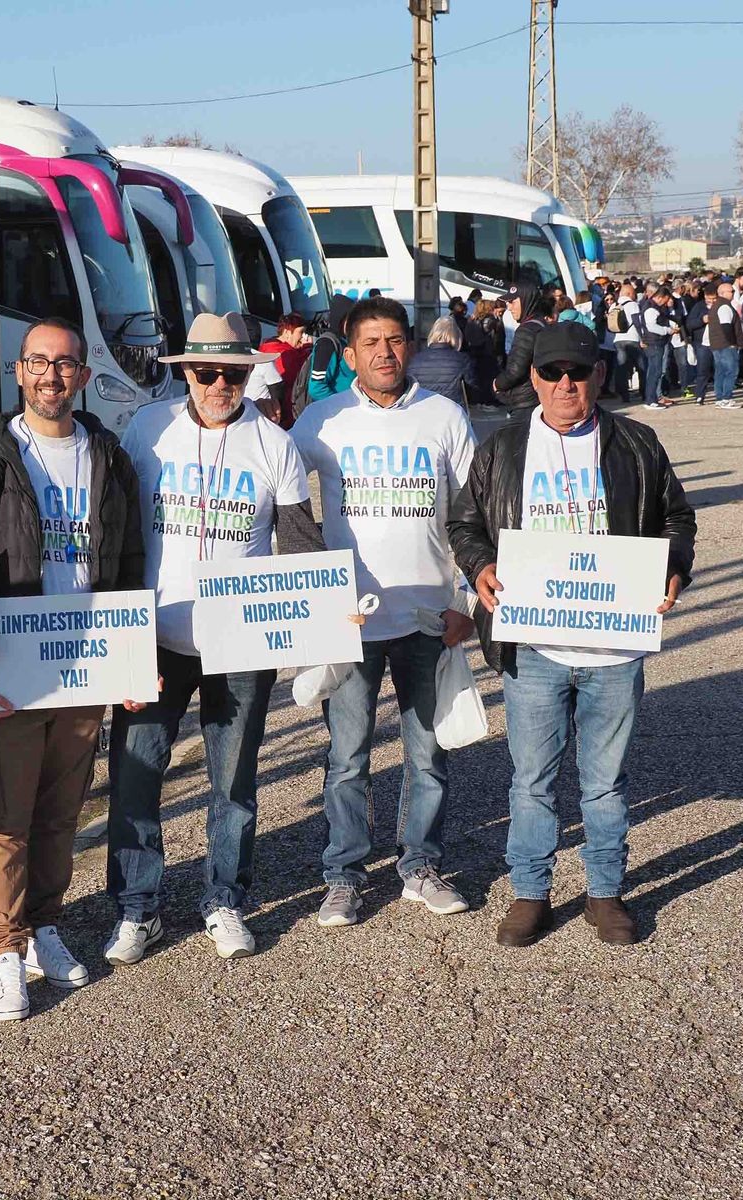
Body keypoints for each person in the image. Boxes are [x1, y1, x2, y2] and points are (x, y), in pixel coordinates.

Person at [448, 322, 696, 947]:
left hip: (614, 647)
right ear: (533, 379)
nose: (565, 384)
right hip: (533, 648)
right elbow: (465, 521)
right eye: (552, 373)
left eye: (577, 373)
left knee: (605, 781)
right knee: (530, 781)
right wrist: (479, 566)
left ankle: (605, 891)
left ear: (598, 378)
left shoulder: (636, 444)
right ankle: (530, 892)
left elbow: (676, 516)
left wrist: (670, 567)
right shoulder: (503, 448)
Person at [0, 316, 145, 1021]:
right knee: (6, 818)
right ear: (19, 371)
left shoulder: (108, 457)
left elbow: (128, 566)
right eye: (39, 362)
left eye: (65, 364)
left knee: (60, 813)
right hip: (13, 674)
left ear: (83, 375)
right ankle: (3, 948)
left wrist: (129, 661)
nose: (51, 375)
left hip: (86, 666)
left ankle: (44, 930)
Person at [105, 311, 325, 964]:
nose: (217, 384)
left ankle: (224, 897)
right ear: (187, 375)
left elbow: (301, 545)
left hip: (242, 645)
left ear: (247, 373)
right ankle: (137, 910)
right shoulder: (148, 429)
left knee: (233, 782)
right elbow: (115, 530)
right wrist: (116, 627)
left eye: (231, 372)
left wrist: (316, 617)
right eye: (205, 372)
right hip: (157, 641)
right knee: (136, 774)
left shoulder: (274, 444)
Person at [291, 296, 478, 925]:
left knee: (428, 753)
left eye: (396, 341)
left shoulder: (444, 417)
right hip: (351, 621)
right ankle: (343, 874)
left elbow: (474, 515)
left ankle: (420, 866)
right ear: (349, 354)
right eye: (371, 343)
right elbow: (278, 499)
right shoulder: (322, 420)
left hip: (430, 617)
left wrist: (468, 601)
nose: (385, 353)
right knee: (348, 757)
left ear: (412, 347)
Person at [494, 293, 554, 411]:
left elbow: (515, 371)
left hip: (525, 398)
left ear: (526, 301)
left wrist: (497, 384)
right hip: (536, 395)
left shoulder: (527, 330)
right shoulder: (539, 324)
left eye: (512, 302)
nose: (509, 307)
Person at [258, 313, 312, 428]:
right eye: (301, 332)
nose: (304, 337)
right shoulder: (284, 354)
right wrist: (307, 349)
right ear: (287, 332)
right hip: (285, 415)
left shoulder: (267, 347)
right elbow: (296, 376)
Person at [407, 315, 474, 407]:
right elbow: (472, 389)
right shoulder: (462, 359)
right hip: (453, 410)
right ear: (456, 335)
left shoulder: (416, 360)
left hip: (424, 409)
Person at [305, 294, 357, 405]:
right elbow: (316, 388)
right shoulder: (327, 344)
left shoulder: (345, 340)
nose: (355, 324)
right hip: (338, 413)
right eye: (351, 320)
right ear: (341, 319)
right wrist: (341, 406)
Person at [703, 280, 743, 412]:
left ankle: (720, 398)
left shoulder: (717, 306)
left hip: (717, 344)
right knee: (730, 371)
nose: (733, 293)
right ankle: (726, 397)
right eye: (730, 291)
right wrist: (733, 343)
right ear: (721, 293)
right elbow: (726, 326)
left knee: (720, 371)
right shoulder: (724, 306)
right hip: (725, 344)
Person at [640, 285, 678, 411]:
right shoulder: (651, 309)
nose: (666, 303)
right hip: (654, 343)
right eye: (666, 300)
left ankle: (652, 399)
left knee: (654, 371)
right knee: (654, 372)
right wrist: (667, 330)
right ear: (661, 298)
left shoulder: (652, 307)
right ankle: (650, 400)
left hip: (654, 342)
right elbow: (651, 327)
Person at [610, 282, 644, 404]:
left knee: (622, 368)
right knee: (641, 366)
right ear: (630, 293)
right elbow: (637, 322)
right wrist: (643, 338)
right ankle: (644, 392)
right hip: (632, 339)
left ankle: (624, 395)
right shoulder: (633, 305)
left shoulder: (614, 305)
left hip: (618, 340)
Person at [470, 298, 503, 405]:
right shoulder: (491, 321)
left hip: (476, 353)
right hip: (489, 354)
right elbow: (496, 339)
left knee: (481, 378)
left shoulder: (473, 320)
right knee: (491, 378)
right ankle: (491, 399)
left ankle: (482, 400)